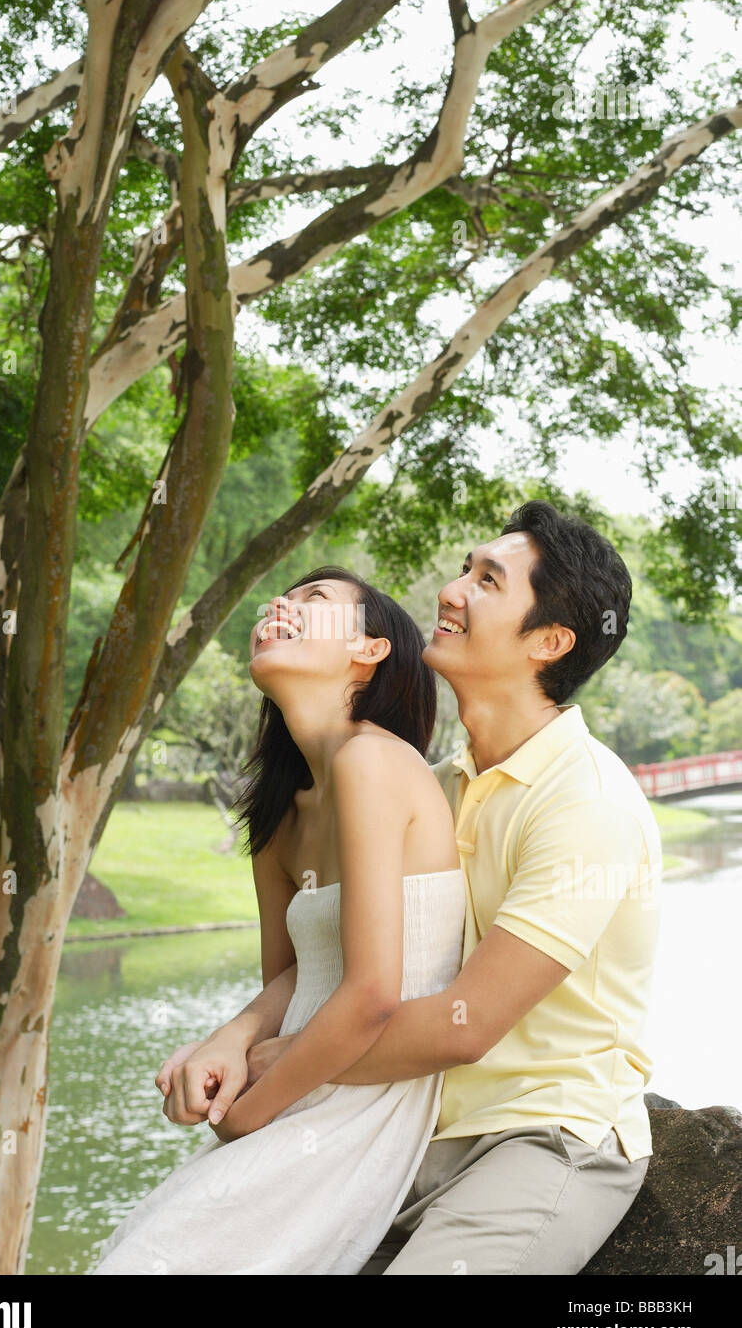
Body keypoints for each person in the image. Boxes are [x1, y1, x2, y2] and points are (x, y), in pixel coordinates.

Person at [160, 501, 662, 1276]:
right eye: (466, 569)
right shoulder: (433, 787)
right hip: (407, 1127)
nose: (453, 591)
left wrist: (288, 1060)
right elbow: (330, 953)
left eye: (488, 580)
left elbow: (467, 1026)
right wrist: (234, 1035)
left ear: (551, 641)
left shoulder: (585, 801)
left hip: (543, 1134)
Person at [92, 568, 466, 1275]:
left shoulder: (373, 763)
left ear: (369, 650)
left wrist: (246, 1113)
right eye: (282, 599)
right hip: (302, 1090)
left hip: (357, 1109)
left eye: (312, 601)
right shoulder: (277, 812)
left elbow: (373, 993)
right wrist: (224, 1044)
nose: (280, 608)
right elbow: (293, 982)